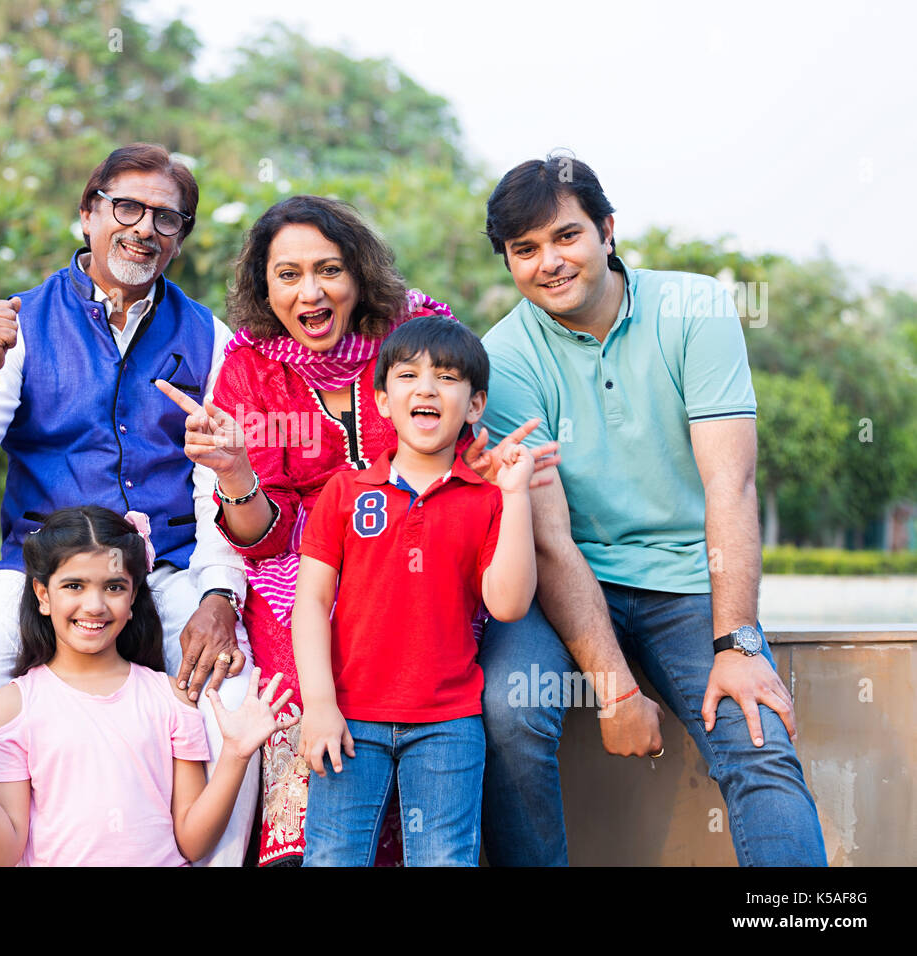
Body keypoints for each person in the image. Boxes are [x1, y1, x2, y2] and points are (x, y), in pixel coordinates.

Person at [477, 153, 827, 866]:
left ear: (607, 231)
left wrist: (736, 643)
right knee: (507, 714)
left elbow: (730, 485)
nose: (550, 261)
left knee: (756, 735)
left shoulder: (695, 308)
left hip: (689, 586)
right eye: (526, 249)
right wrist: (615, 689)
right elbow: (551, 543)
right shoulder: (503, 357)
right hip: (566, 587)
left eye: (566, 236)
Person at [0, 144, 257, 867]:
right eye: (126, 207)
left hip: (165, 564)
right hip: (36, 566)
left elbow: (213, 487)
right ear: (88, 213)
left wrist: (221, 594)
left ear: (182, 236)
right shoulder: (17, 326)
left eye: (168, 217)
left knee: (236, 696)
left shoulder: (212, 339)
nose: (145, 229)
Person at [157, 194, 456, 865]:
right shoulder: (249, 365)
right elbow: (261, 538)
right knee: (293, 663)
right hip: (295, 575)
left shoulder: (415, 335)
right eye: (288, 274)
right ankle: (307, 850)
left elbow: (451, 461)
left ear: (360, 274)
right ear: (266, 287)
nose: (311, 291)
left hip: (418, 557)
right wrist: (236, 472)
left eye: (328, 270)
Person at [0, 506, 297, 866]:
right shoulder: (12, 707)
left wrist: (236, 756)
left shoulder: (171, 698)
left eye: (114, 587)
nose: (95, 605)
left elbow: (192, 840)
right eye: (74, 586)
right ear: (43, 595)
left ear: (134, 597)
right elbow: (5, 850)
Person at [291, 316, 555, 866]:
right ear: (383, 400)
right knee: (332, 857)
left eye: (448, 377)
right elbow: (311, 602)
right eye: (408, 376)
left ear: (475, 404)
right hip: (348, 718)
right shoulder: (346, 491)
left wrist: (514, 497)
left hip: (447, 724)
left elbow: (507, 604)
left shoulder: (486, 500)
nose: (427, 388)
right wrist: (317, 704)